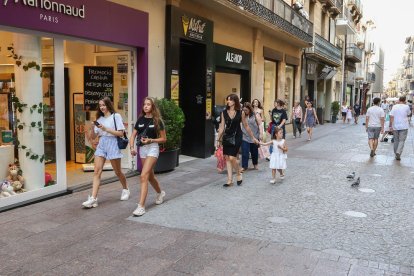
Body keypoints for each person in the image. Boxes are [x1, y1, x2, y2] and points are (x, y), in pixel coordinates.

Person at [82, 97, 129, 208]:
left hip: (112, 143)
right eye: (100, 105)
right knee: (97, 172)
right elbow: (94, 137)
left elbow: (121, 133)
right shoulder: (99, 119)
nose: (102, 107)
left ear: (108, 105)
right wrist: (93, 128)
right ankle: (94, 198)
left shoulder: (115, 116)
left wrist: (106, 129)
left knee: (118, 172)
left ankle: (126, 189)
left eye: (104, 105)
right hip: (102, 143)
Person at [128, 97, 167, 216]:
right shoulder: (140, 120)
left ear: (152, 107)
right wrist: (131, 148)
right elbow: (133, 136)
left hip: (153, 148)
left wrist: (151, 140)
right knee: (150, 176)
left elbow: (164, 139)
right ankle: (160, 193)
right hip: (142, 150)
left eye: (148, 104)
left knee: (143, 175)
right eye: (144, 104)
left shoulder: (157, 121)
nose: (146, 106)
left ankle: (141, 206)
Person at [217, 94, 258, 187]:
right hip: (227, 136)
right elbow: (222, 127)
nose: (228, 101)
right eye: (227, 100)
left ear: (235, 101)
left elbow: (246, 126)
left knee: (232, 157)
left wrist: (253, 138)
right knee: (227, 158)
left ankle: (238, 173)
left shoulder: (241, 112)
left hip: (237, 136)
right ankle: (230, 180)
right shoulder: (224, 112)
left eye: (230, 100)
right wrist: (218, 140)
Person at [241, 102, 263, 172]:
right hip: (245, 136)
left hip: (255, 137)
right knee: (245, 152)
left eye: (246, 110)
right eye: (244, 110)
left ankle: (255, 164)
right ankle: (244, 166)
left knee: (254, 152)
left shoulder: (256, 115)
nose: (245, 112)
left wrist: (261, 134)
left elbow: (260, 124)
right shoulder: (243, 115)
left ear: (250, 109)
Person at [389, 96, 411, 161]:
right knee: (402, 140)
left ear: (399, 100)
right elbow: (409, 114)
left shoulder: (395, 106)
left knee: (396, 140)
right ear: (405, 100)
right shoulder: (406, 106)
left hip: (395, 125)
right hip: (404, 126)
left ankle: (396, 154)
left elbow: (391, 116)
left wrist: (390, 125)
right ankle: (398, 152)